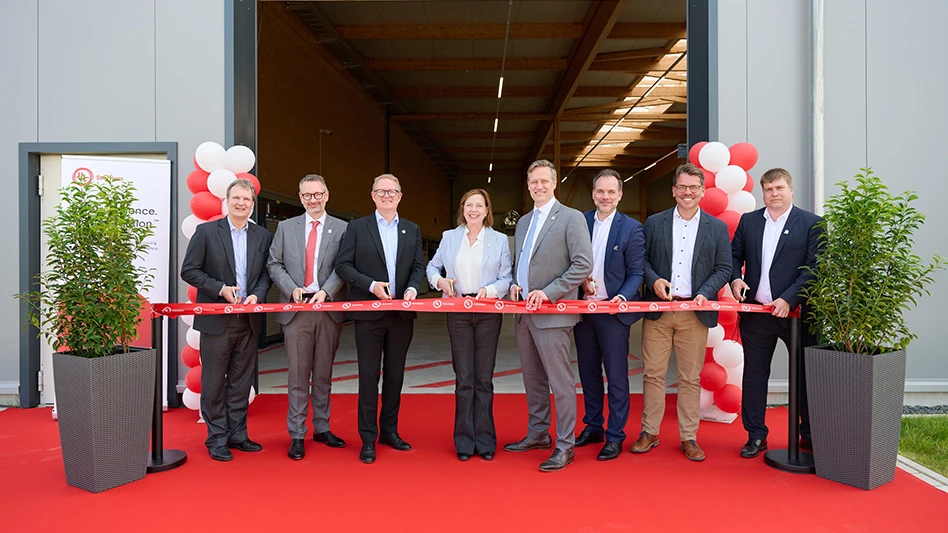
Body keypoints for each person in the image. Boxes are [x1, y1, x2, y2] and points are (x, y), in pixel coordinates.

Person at [633, 163, 731, 462]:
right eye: (682, 187)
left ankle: (689, 437)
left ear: (702, 191)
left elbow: (724, 268)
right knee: (653, 374)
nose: (687, 192)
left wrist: (705, 292)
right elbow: (641, 260)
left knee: (690, 378)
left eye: (693, 187)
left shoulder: (716, 228)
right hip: (659, 310)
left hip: (694, 312)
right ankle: (649, 432)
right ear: (674, 190)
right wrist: (654, 280)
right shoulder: (654, 223)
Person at [504, 159, 593, 472]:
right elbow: (522, 262)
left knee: (560, 382)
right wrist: (515, 284)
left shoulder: (571, 218)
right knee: (533, 379)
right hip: (524, 314)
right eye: (533, 182)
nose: (538, 186)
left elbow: (583, 264)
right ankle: (538, 433)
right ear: (528, 186)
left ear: (555, 183)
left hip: (553, 313)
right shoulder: (524, 221)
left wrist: (549, 292)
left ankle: (565, 445)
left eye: (544, 181)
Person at [730, 168, 823, 458]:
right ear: (763, 192)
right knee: (755, 376)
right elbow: (734, 255)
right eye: (769, 189)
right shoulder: (749, 221)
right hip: (757, 314)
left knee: (806, 376)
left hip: (798, 316)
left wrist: (788, 298)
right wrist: (735, 279)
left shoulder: (812, 224)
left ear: (790, 190)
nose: (774, 194)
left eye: (779, 188)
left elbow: (816, 267)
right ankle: (756, 435)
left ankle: (809, 435)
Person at [335, 174, 426, 465]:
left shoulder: (412, 229)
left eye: (392, 191)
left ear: (400, 196)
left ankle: (389, 431)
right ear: (373, 195)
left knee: (395, 376)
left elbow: (418, 266)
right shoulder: (357, 227)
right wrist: (371, 285)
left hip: (401, 315)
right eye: (381, 191)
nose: (387, 195)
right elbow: (342, 265)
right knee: (368, 376)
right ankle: (367, 439)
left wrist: (413, 289)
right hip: (368, 314)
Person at [181, 179, 273, 462]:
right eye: (236, 198)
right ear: (227, 201)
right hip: (217, 321)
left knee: (241, 382)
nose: (241, 203)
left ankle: (237, 434)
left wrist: (257, 295)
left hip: (248, 321)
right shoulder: (206, 232)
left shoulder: (262, 236)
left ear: (252, 204)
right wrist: (220, 289)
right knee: (213, 383)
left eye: (247, 199)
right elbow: (190, 270)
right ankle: (217, 438)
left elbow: (266, 274)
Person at [426, 189, 512, 462]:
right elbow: (432, 267)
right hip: (458, 311)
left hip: (488, 311)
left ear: (487, 210)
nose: (473, 210)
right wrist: (439, 281)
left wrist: (490, 290)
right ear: (462, 209)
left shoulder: (499, 240)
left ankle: (485, 440)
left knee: (484, 378)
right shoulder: (449, 237)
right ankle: (464, 441)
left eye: (479, 205)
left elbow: (506, 278)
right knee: (464, 378)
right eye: (469, 205)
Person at [267, 174, 349, 461]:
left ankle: (322, 428)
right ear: (300, 197)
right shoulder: (286, 227)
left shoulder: (342, 228)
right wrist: (292, 289)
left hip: (328, 308)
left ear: (327, 195)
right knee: (298, 375)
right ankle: (297, 434)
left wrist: (326, 292)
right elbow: (274, 263)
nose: (313, 199)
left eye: (317, 194)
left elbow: (344, 265)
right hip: (297, 310)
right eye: (306, 195)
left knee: (323, 375)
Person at [573, 169, 645, 461]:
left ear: (620, 195)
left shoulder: (631, 228)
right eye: (600, 191)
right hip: (583, 311)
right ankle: (593, 426)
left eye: (611, 192)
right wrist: (578, 282)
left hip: (613, 313)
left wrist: (622, 297)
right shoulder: (580, 222)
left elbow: (637, 272)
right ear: (593, 194)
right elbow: (570, 261)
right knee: (588, 373)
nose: (605, 196)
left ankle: (615, 435)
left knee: (616, 376)